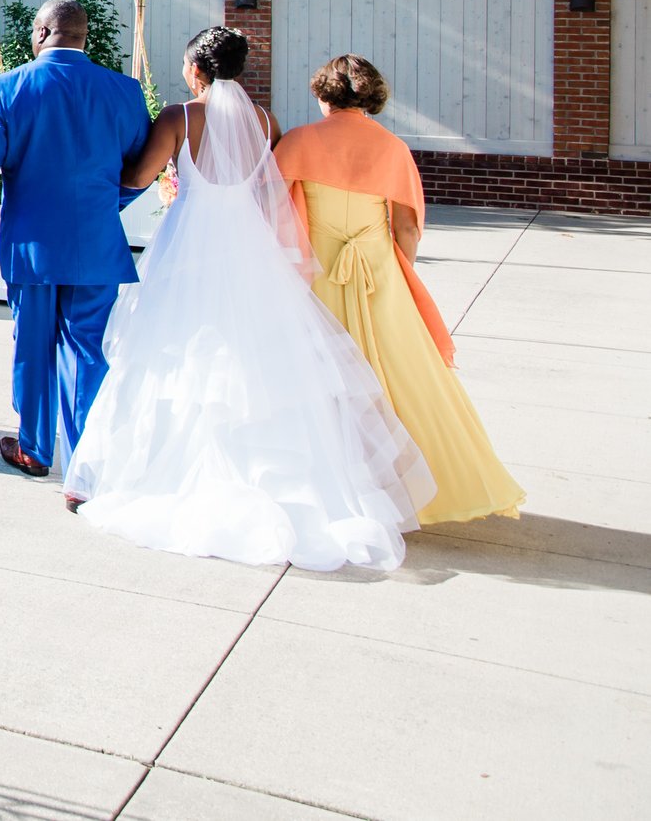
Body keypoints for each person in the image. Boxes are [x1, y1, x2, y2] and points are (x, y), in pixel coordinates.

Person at [67, 29, 434, 571]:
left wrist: (145, 174)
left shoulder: (179, 118)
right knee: (255, 356)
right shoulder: (266, 123)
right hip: (248, 246)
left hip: (191, 244)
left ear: (196, 69)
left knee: (174, 352)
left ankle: (148, 472)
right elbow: (270, 191)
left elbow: (139, 175)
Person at [276, 54, 525, 525]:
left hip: (317, 271)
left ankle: (329, 488)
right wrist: (394, 269)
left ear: (322, 94)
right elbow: (407, 227)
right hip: (378, 270)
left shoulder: (298, 141)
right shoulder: (392, 148)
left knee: (319, 377)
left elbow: (271, 208)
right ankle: (421, 486)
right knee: (406, 377)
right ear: (370, 96)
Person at [0, 0, 154, 479]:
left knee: (33, 346)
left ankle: (37, 449)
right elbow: (142, 170)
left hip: (31, 247)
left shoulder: (8, 87)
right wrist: (105, 208)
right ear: (84, 37)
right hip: (98, 247)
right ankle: (84, 464)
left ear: (40, 33)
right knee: (86, 352)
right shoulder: (124, 91)